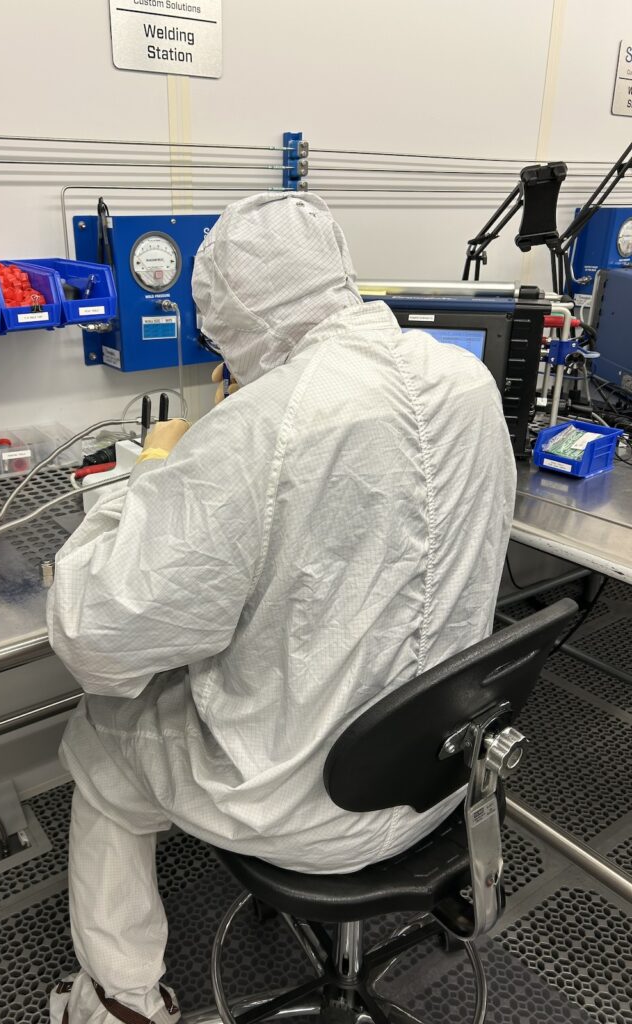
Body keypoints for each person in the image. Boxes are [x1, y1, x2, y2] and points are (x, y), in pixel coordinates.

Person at [47, 192, 516, 1024]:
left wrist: (148, 475)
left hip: (311, 808)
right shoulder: (466, 379)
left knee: (101, 730)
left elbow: (98, 636)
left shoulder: (264, 423)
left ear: (231, 316)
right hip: (446, 773)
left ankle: (118, 1004)